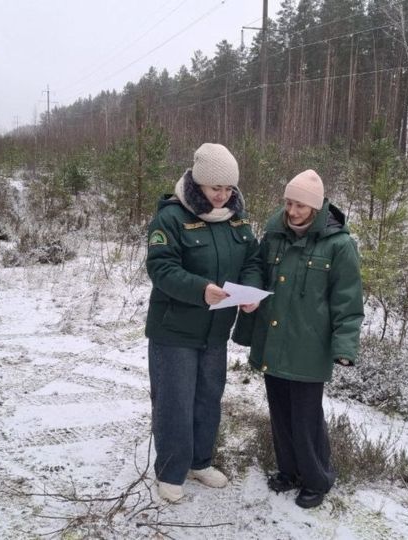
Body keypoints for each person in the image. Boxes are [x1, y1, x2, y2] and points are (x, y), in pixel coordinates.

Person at [234, 169, 364, 509]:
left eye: (301, 206)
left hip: (309, 348)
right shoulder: (274, 236)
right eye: (289, 203)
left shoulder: (340, 245)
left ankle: (317, 480)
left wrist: (345, 347)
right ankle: (289, 472)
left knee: (306, 420)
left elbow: (348, 302)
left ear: (317, 208)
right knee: (280, 414)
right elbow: (258, 277)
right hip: (273, 342)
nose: (292, 212)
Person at [144, 142, 262, 503]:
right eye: (215, 189)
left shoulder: (237, 220)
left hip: (215, 332)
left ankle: (199, 461)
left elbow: (252, 261)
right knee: (175, 400)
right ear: (198, 184)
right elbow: (161, 268)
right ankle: (171, 470)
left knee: (208, 398)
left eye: (229, 189)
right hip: (174, 330)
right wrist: (201, 289)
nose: (222, 196)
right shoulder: (171, 218)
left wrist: (252, 291)